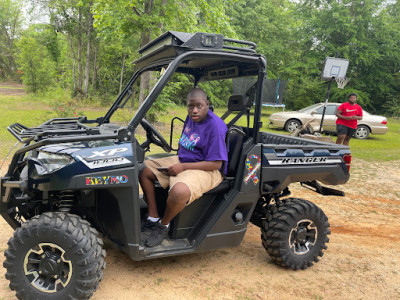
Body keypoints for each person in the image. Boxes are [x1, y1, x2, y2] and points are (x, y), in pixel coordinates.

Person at [139, 87, 228, 247]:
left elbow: (216, 163)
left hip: (206, 168)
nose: (194, 110)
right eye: (190, 106)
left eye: (199, 106)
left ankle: (163, 225)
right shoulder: (191, 118)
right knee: (144, 170)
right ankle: (153, 216)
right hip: (184, 160)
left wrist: (182, 167)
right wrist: (179, 164)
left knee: (179, 191)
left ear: (207, 104)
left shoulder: (215, 127)